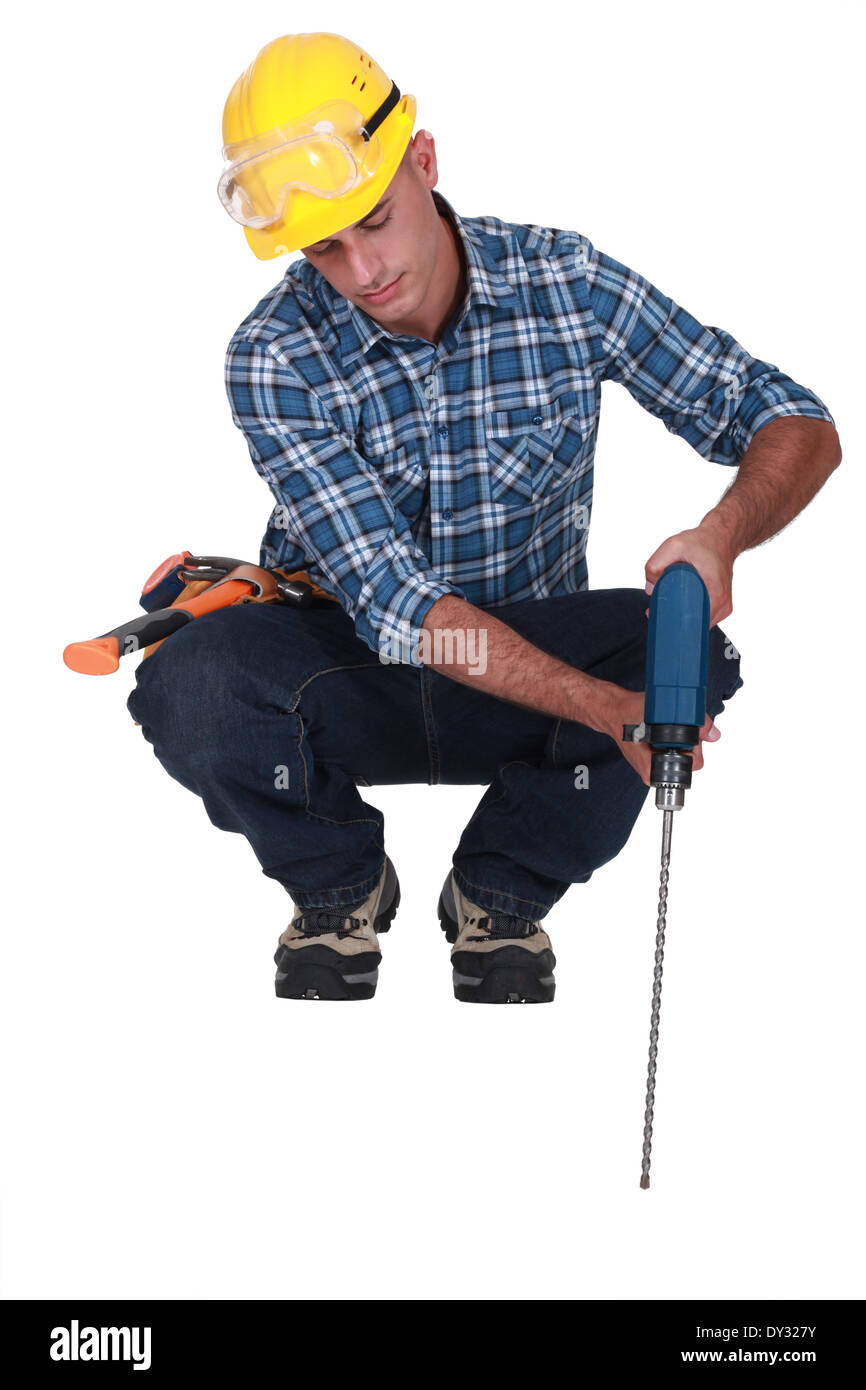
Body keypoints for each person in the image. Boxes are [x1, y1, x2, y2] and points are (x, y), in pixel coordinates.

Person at [127, 31, 841, 1004]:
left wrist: (717, 536)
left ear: (423, 160)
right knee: (190, 684)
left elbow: (792, 418)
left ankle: (499, 888)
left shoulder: (565, 283)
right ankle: (336, 883)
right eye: (323, 248)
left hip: (518, 680)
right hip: (352, 669)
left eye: (372, 221)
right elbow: (393, 605)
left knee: (686, 659)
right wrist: (604, 711)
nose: (362, 269)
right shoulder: (273, 353)